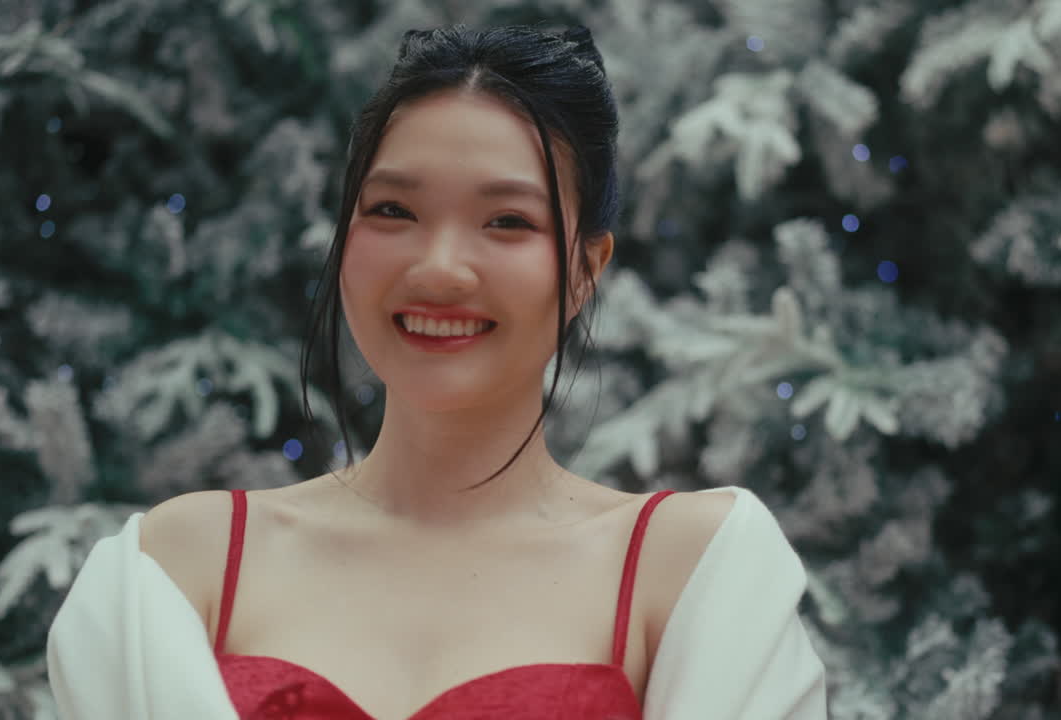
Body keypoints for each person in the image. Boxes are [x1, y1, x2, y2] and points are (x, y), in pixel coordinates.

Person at [46, 24, 828, 719]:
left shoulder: (690, 570)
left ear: (587, 269)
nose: (440, 268)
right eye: (393, 211)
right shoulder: (181, 567)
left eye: (507, 222)